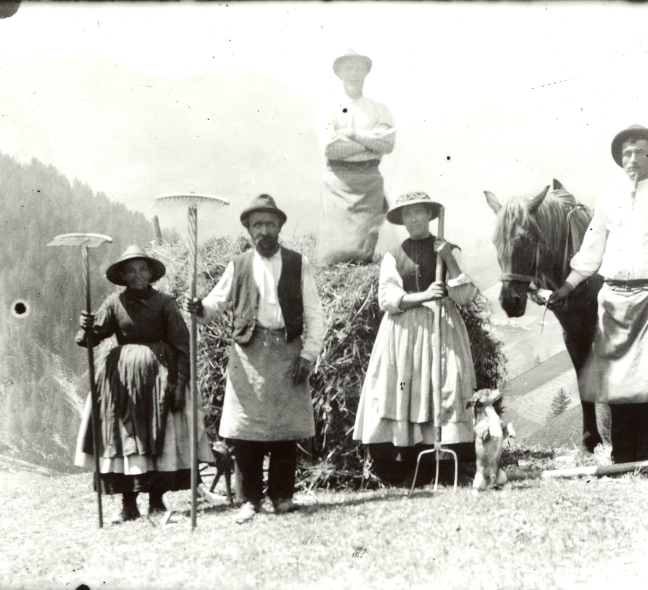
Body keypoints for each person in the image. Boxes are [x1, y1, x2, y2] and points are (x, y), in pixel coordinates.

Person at [548, 124, 648, 464]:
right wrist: (568, 285)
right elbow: (591, 248)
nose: (633, 159)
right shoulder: (609, 196)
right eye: (627, 153)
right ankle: (623, 458)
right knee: (617, 382)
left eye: (640, 152)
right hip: (614, 299)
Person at [187, 194, 326, 524]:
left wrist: (308, 354)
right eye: (257, 224)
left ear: (279, 227)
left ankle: (282, 496)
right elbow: (214, 304)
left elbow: (314, 314)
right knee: (245, 430)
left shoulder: (298, 263)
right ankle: (249, 500)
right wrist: (198, 308)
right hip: (247, 353)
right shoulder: (238, 265)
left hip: (288, 351)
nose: (264, 230)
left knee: (285, 429)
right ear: (248, 229)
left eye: (270, 224)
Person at [74, 245, 211, 523]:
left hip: (160, 380)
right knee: (124, 437)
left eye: (142, 270)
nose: (137, 275)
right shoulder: (114, 303)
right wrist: (86, 326)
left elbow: (183, 347)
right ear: (123, 276)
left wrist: (179, 385)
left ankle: (156, 502)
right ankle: (128, 505)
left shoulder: (166, 303)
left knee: (160, 438)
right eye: (130, 271)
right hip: (121, 383)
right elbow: (91, 339)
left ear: (150, 274)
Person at [353, 191, 477, 486]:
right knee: (405, 388)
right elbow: (387, 298)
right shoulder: (394, 255)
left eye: (418, 212)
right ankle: (408, 463)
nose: (413, 219)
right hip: (404, 332)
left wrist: (448, 258)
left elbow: (464, 296)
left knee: (446, 384)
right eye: (407, 214)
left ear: (429, 215)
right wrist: (425, 295)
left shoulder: (449, 250)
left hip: (442, 328)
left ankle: (445, 463)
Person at [314, 49, 396, 266]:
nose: (353, 74)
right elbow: (330, 147)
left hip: (369, 183)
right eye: (348, 68)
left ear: (366, 73)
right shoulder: (328, 109)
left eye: (359, 68)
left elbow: (387, 142)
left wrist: (351, 133)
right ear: (339, 73)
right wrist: (370, 143)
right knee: (335, 252)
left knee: (364, 250)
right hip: (337, 184)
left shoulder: (379, 109)